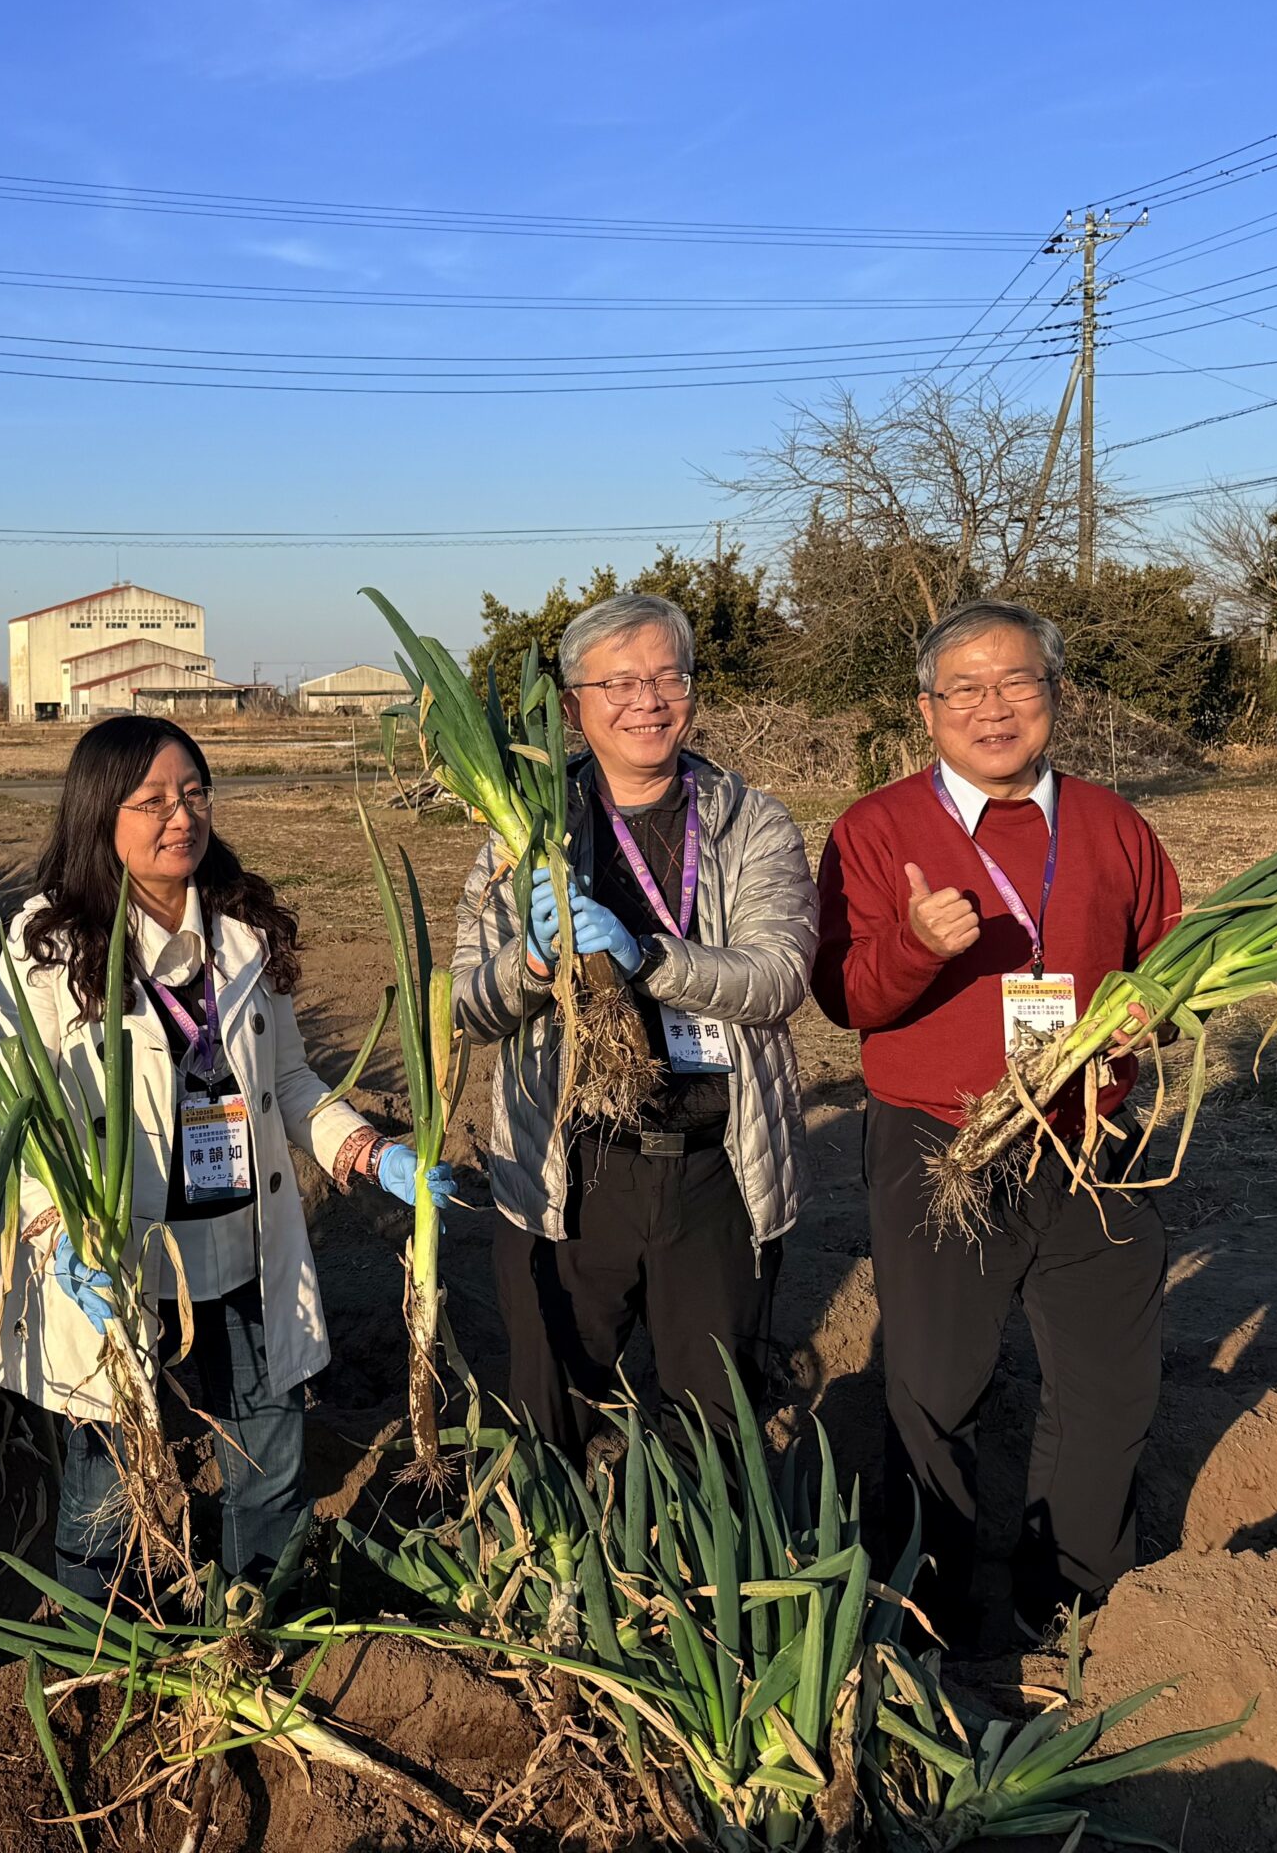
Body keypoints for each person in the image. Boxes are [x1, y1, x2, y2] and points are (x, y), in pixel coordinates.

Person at [0, 715, 449, 1603]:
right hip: (113, 1253)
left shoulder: (242, 929)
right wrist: (58, 1226)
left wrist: (368, 1151)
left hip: (239, 1241)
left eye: (193, 793)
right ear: (98, 814)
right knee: (112, 1471)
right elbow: (16, 1109)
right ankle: (99, 1639)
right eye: (152, 799)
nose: (179, 815)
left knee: (269, 1447)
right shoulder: (44, 945)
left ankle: (251, 1617)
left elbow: (291, 1081)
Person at [813, 597, 1182, 1650]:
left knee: (1109, 1386)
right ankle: (918, 1614)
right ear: (925, 712)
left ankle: (1066, 1604)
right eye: (963, 688)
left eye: (1016, 682)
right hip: (941, 1141)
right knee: (934, 1389)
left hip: (1092, 1142)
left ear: (1055, 698)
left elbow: (1169, 966)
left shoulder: (1112, 825)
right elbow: (843, 999)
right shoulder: (876, 829)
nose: (992, 706)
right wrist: (919, 946)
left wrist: (1155, 1017)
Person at [451, 593, 815, 1455]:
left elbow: (779, 975)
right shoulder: (522, 832)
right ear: (572, 705)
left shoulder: (750, 821)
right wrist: (533, 967)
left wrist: (647, 956)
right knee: (552, 1418)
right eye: (619, 681)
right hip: (572, 1171)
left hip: (714, 1170)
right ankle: (555, 1579)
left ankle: (702, 1580)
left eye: (667, 676)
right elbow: (467, 1008)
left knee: (718, 1429)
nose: (647, 700)